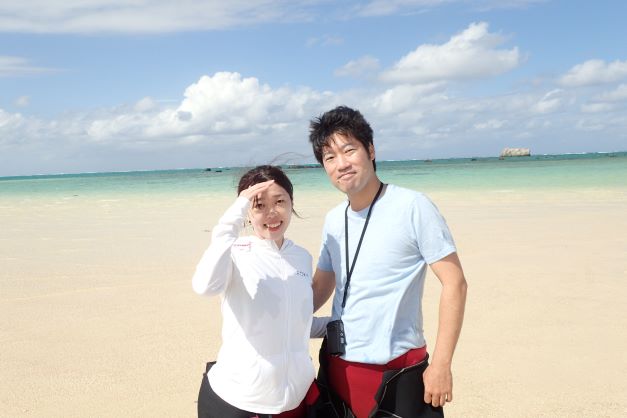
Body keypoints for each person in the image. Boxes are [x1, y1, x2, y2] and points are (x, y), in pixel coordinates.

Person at [308, 106, 468, 418]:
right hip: (337, 370)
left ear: (370, 150)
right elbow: (319, 289)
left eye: (349, 150)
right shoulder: (333, 219)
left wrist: (441, 364)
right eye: (329, 157)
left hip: (398, 373)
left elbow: (455, 283)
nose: (341, 164)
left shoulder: (412, 206)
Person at [192, 165, 317, 418]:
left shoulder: (302, 257)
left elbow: (293, 320)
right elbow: (204, 286)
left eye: (279, 201)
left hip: (295, 398)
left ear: (291, 203)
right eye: (259, 205)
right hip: (239, 398)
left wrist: (338, 323)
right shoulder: (234, 252)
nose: (271, 213)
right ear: (247, 213)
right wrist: (233, 215)